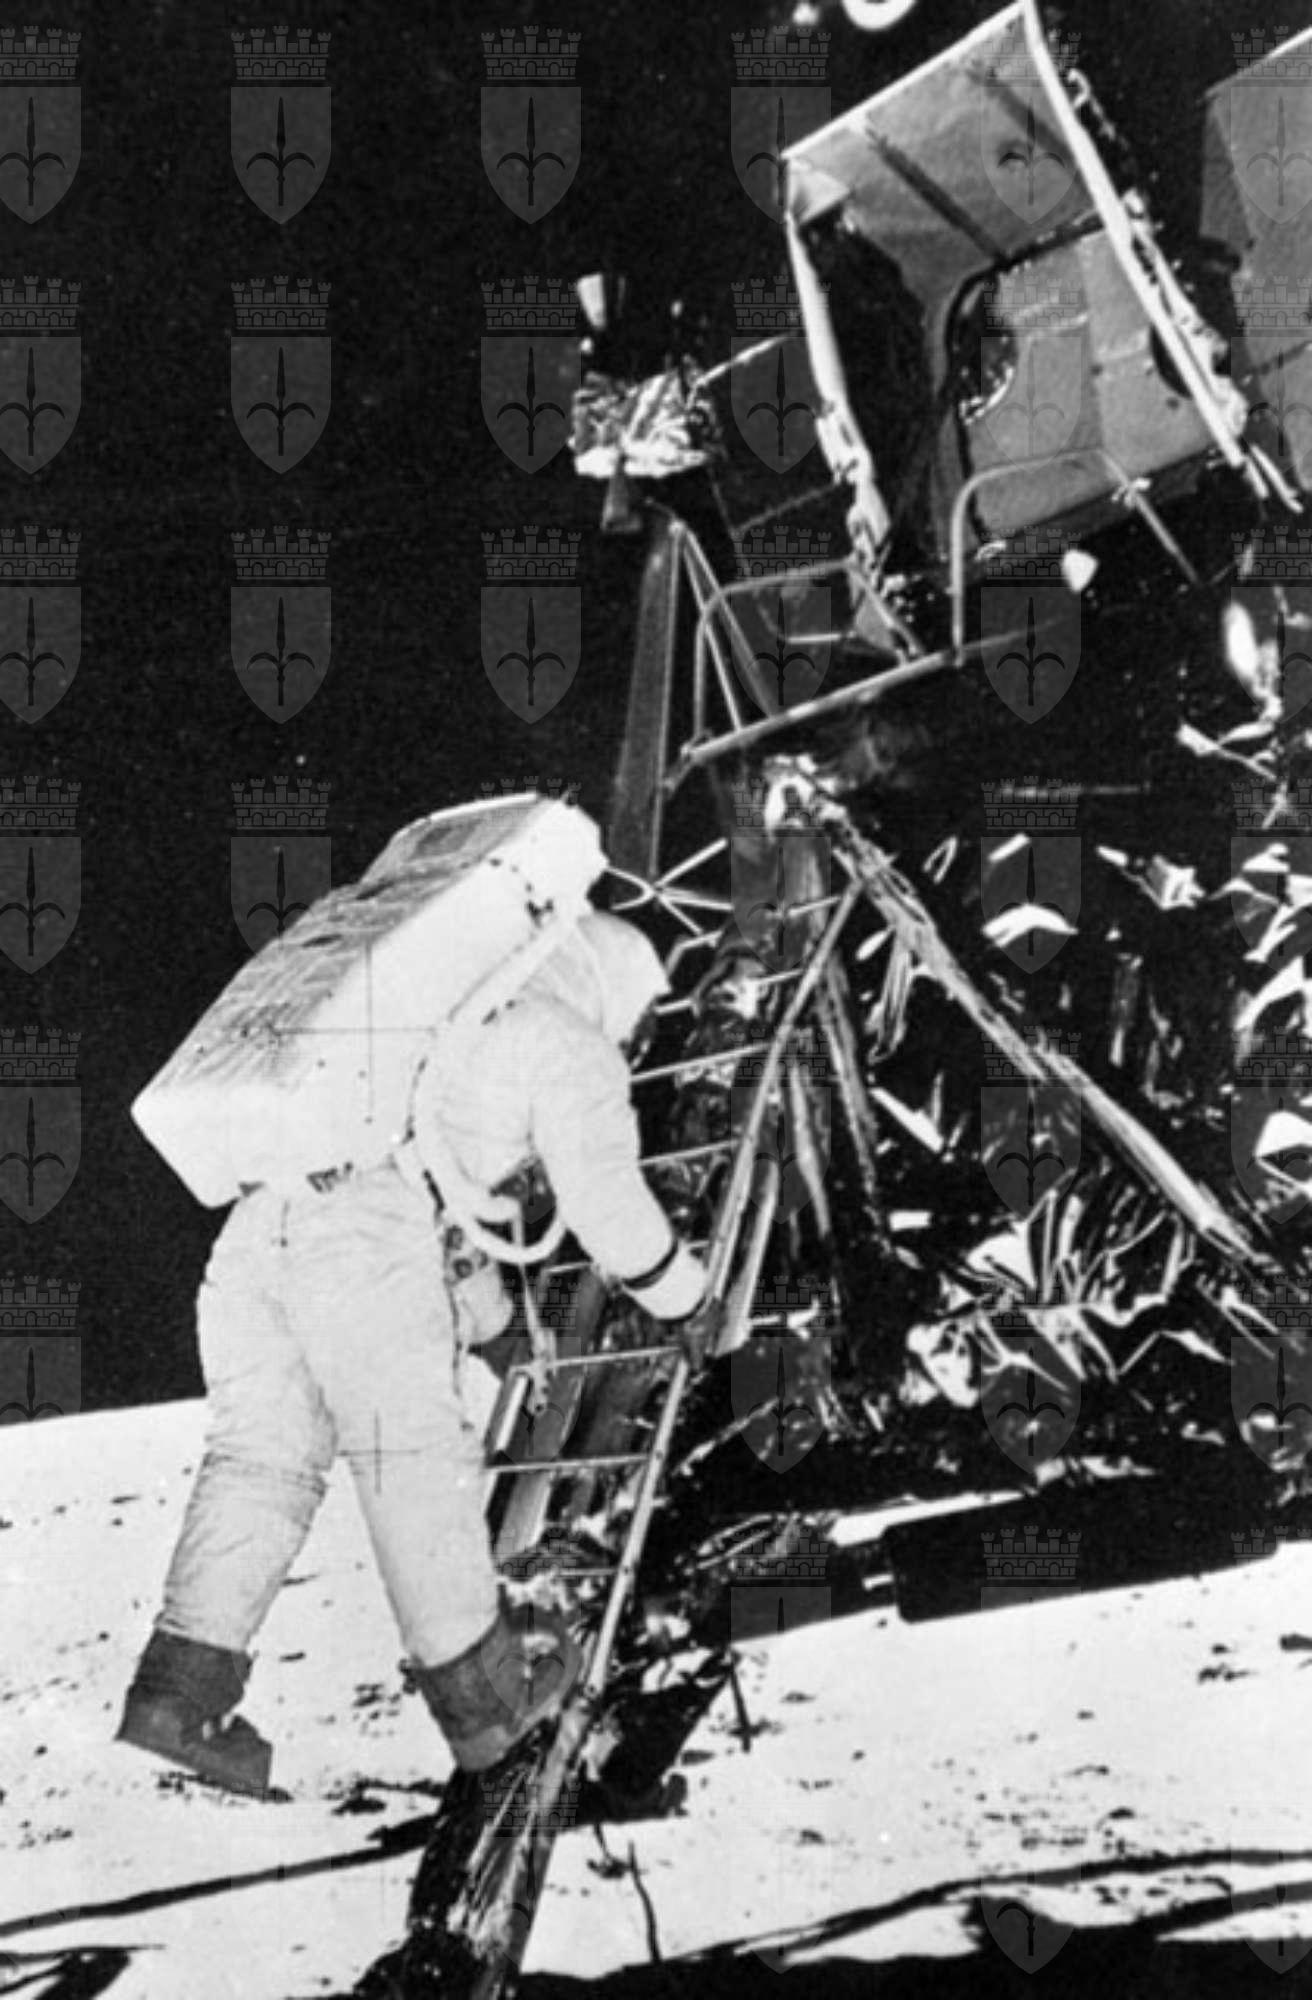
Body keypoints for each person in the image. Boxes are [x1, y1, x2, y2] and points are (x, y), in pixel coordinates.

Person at [117, 909, 710, 1797]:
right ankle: (485, 1703)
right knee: (413, 1463)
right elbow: (603, 1202)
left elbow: (443, 1214)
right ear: (614, 983)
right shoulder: (562, 1038)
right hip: (363, 1244)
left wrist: (497, 1326)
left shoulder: (440, 1017)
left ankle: (179, 1693)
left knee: (260, 1464)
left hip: (257, 1236)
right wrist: (684, 1297)